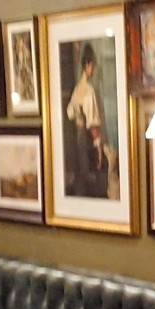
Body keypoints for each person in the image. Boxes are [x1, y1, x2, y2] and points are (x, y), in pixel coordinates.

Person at [65, 43, 108, 198]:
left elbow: (70, 111)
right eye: (93, 66)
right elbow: (93, 124)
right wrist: (99, 149)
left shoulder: (77, 89)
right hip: (88, 141)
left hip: (78, 139)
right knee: (92, 178)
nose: (94, 70)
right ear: (87, 65)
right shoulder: (89, 92)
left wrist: (78, 118)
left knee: (82, 177)